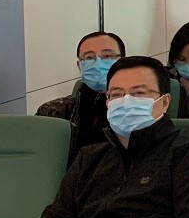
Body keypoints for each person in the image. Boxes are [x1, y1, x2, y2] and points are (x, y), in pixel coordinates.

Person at [33, 56, 189, 218]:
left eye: (138, 93)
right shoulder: (89, 157)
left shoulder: (188, 154)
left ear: (164, 102)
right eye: (116, 94)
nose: (125, 101)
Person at [36, 30, 126, 162]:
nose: (98, 63)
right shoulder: (53, 112)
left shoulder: (136, 108)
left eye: (107, 56)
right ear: (80, 66)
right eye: (89, 57)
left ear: (123, 62)